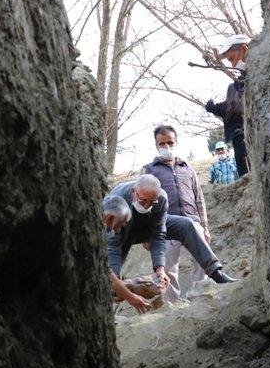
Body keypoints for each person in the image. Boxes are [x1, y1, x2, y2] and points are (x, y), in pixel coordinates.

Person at [103, 175, 235, 313]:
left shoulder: (161, 198)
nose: (147, 205)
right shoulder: (119, 198)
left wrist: (160, 268)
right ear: (133, 191)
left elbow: (158, 234)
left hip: (146, 227)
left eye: (151, 202)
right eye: (142, 201)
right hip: (122, 231)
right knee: (113, 280)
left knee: (186, 225)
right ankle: (108, 302)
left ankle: (216, 272)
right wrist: (119, 287)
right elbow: (112, 246)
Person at [141, 125, 221, 303]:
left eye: (170, 142)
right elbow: (143, 203)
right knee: (169, 269)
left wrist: (205, 228)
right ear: (156, 145)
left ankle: (200, 296)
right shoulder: (149, 170)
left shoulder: (188, 169)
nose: (166, 147)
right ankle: (173, 304)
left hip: (193, 223)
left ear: (176, 142)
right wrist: (146, 234)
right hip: (165, 227)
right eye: (162, 144)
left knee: (202, 261)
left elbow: (199, 199)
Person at [204, 34, 250, 177]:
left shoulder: (241, 86)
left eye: (232, 59)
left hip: (241, 133)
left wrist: (211, 106)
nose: (233, 65)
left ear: (244, 49)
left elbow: (230, 107)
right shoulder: (241, 82)